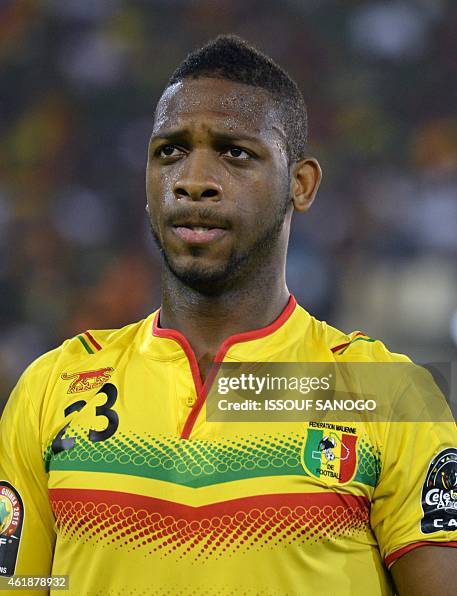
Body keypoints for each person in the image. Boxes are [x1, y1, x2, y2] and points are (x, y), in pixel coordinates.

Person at [0, 35, 455, 596]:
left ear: (302, 184)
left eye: (235, 152)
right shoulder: (52, 387)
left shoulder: (389, 396)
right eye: (170, 151)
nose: (193, 180)